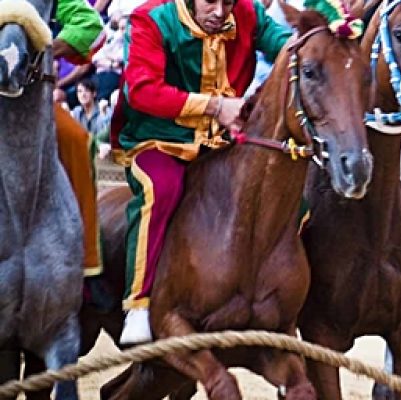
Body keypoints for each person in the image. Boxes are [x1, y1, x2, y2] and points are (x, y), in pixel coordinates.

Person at [110, 0, 291, 344]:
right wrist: (214, 106)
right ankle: (139, 304)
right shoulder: (150, 18)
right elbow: (143, 91)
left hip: (223, 141)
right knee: (161, 189)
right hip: (158, 139)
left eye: (229, 2)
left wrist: (316, 45)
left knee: (286, 194)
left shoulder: (248, 13)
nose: (221, 11)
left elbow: (286, 45)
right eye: (212, 1)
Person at [49, 0, 108, 305]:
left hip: (31, 94)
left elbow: (91, 27)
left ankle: (89, 263)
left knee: (79, 140)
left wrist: (48, 48)